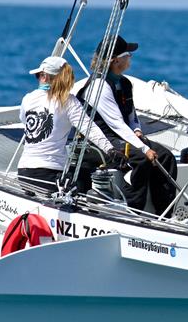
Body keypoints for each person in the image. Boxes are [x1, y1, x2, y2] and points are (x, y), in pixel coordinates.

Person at [78, 36, 178, 215]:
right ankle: (133, 212)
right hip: (101, 139)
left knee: (165, 157)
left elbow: (131, 117)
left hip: (122, 136)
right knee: (139, 158)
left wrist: (137, 131)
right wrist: (144, 148)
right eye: (128, 55)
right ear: (116, 60)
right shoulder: (98, 87)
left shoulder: (124, 83)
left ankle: (164, 213)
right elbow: (116, 124)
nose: (130, 57)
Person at [18, 56, 116, 194]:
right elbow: (89, 128)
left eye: (38, 75)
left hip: (23, 172)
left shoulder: (28, 98)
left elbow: (24, 121)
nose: (38, 78)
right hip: (48, 175)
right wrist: (110, 149)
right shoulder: (68, 101)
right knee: (84, 181)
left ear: (45, 77)